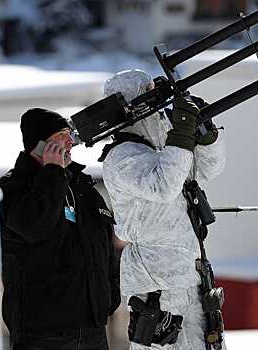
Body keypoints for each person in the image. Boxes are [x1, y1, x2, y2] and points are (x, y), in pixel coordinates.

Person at [100, 69, 226, 349]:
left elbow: (205, 170)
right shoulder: (121, 158)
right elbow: (163, 185)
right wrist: (180, 135)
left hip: (190, 276)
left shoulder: (161, 152)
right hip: (157, 284)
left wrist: (205, 134)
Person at [0, 108, 120, 350]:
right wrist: (52, 173)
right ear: (40, 144)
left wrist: (109, 298)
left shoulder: (82, 187)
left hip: (92, 330)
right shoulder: (14, 188)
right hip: (43, 332)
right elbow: (34, 226)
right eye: (61, 135)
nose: (70, 141)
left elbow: (106, 246)